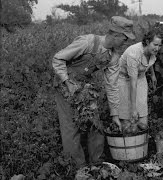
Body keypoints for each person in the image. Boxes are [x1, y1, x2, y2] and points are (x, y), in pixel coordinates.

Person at [52, 16, 135, 167]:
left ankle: (97, 165)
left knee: (95, 125)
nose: (126, 43)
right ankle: (78, 168)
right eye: (125, 39)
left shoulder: (113, 56)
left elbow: (112, 86)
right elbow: (58, 59)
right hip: (65, 86)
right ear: (115, 35)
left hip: (85, 88)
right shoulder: (88, 42)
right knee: (71, 128)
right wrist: (67, 81)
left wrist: (115, 114)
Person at [118, 29, 163, 125]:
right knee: (128, 113)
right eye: (155, 45)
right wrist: (134, 109)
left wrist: (152, 75)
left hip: (140, 77)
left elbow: (147, 63)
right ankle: (127, 134)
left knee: (142, 111)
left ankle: (142, 134)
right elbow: (133, 84)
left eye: (160, 45)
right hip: (125, 79)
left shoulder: (151, 51)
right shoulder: (133, 54)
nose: (157, 48)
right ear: (147, 42)